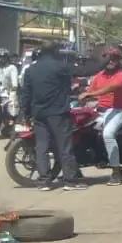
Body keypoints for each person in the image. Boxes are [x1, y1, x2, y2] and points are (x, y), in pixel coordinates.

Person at [21, 43, 84, 192]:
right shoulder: (60, 66)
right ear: (55, 52)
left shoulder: (31, 70)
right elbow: (83, 71)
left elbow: (25, 94)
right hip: (58, 113)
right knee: (64, 147)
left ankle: (44, 181)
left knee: (42, 147)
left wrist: (25, 114)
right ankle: (70, 181)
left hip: (39, 114)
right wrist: (104, 61)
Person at [78, 47, 122, 185]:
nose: (111, 61)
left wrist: (90, 95)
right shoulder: (99, 75)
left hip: (119, 111)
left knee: (108, 134)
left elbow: (109, 89)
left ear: (119, 60)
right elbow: (90, 92)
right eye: (107, 58)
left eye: (114, 58)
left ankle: (116, 172)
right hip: (100, 110)